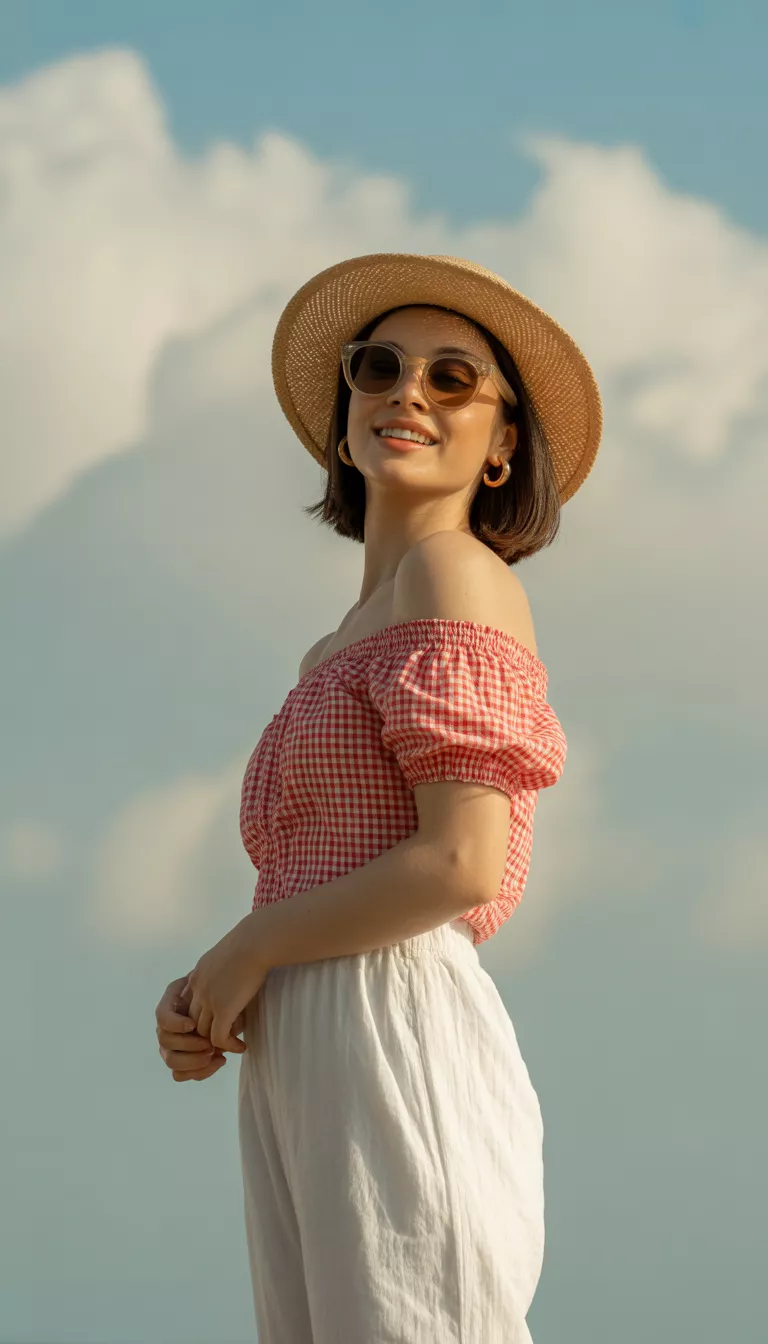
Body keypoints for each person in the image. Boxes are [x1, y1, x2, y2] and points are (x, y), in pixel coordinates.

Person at [155, 252, 603, 1343]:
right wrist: (218, 985)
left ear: (503, 447)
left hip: (394, 1025)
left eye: (455, 380)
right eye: (381, 366)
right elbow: (328, 870)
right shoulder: (333, 648)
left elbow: (463, 866)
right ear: (345, 414)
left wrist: (251, 948)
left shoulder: (456, 573)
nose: (409, 390)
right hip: (315, 1049)